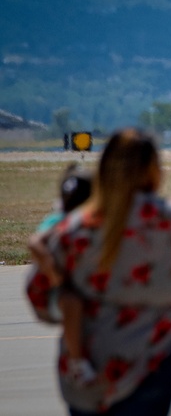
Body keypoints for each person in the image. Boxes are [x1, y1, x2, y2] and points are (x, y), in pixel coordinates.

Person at [25, 128, 171, 415]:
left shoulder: (76, 229)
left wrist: (69, 298)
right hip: (152, 365)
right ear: (154, 170)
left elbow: (38, 295)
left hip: (87, 376)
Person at [31, 163, 96, 387]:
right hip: (57, 291)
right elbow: (35, 243)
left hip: (87, 283)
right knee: (72, 302)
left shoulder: (92, 220)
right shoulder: (58, 222)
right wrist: (54, 273)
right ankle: (77, 362)